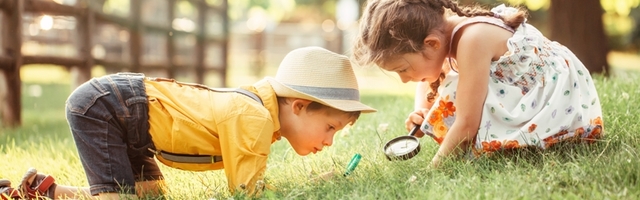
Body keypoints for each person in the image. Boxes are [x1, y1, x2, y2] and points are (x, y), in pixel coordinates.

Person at [0, 46, 376, 199]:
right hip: (111, 106)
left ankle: (47, 189)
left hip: (133, 117)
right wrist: (311, 188)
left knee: (149, 194)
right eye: (330, 128)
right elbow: (248, 192)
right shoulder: (254, 118)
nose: (329, 142)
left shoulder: (263, 120)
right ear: (298, 106)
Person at [352, 0, 604, 167]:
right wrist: (423, 109)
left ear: (431, 44)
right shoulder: (450, 34)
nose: (404, 79)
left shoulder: (472, 40)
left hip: (560, 104)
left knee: (454, 93)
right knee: (451, 88)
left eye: (403, 69)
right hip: (547, 91)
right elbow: (429, 80)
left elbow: (466, 123)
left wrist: (433, 170)